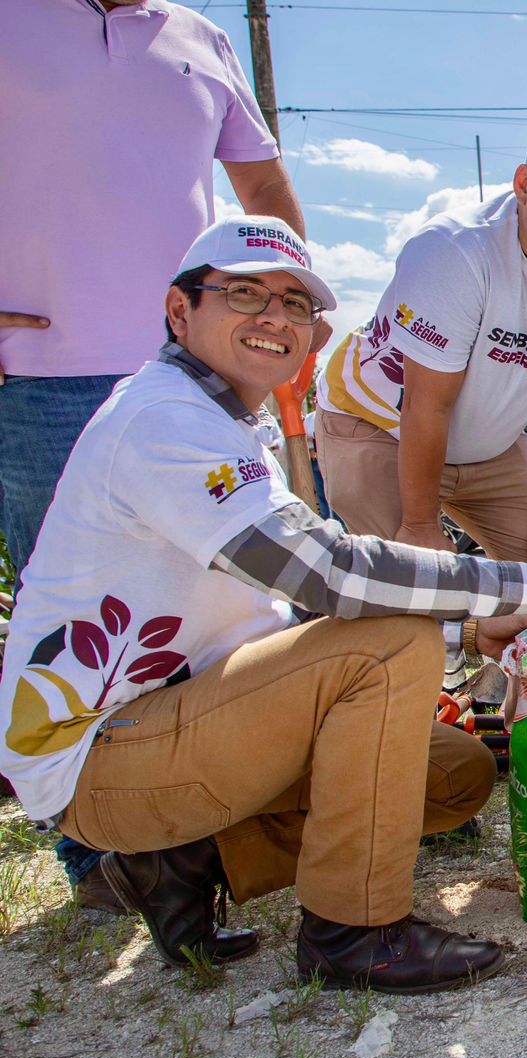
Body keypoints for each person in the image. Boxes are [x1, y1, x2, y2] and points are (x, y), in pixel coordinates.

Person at [0, 218, 527, 992]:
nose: (274, 317)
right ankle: (353, 933)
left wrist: (477, 631)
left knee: (454, 776)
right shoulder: (164, 421)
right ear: (180, 311)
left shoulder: (232, 419)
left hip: (180, 720)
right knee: (391, 644)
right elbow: (328, 577)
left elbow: (285, 618)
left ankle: (182, 860)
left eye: (295, 305)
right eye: (244, 294)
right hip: (100, 757)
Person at [2, 0, 323, 913]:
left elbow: (264, 187)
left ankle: (194, 839)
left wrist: (298, 301)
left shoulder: (203, 37)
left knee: (222, 609)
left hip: (206, 371)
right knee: (75, 627)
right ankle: (98, 857)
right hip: (44, 374)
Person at [316, 105, 527, 567]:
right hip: (381, 428)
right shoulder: (454, 250)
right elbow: (427, 403)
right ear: (524, 185)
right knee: (411, 589)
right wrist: (421, 526)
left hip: (488, 445)